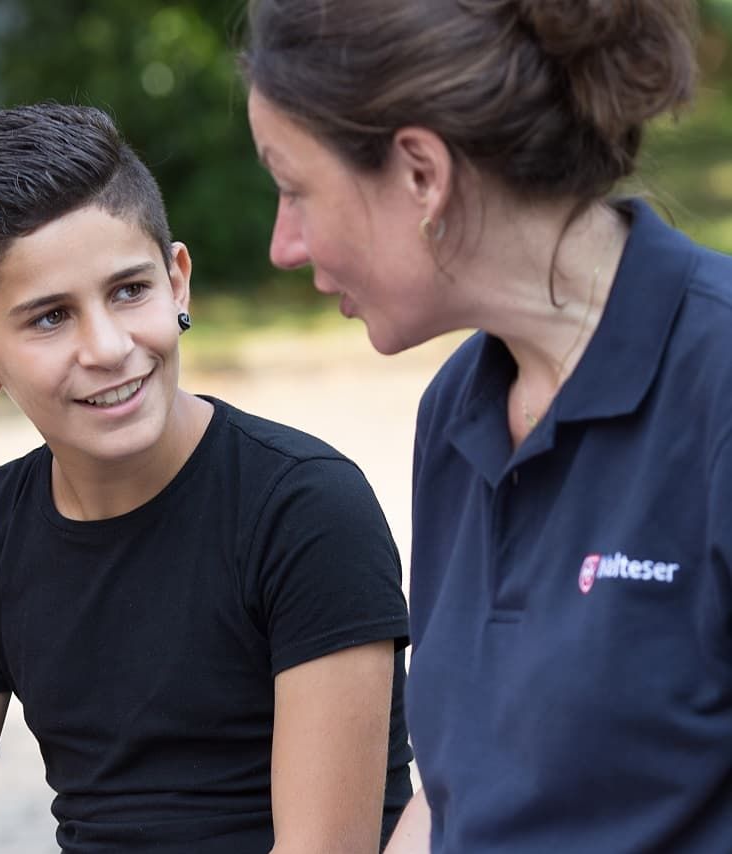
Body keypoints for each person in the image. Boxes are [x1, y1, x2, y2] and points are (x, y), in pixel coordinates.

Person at [242, 1, 732, 852]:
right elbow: (458, 788)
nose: (284, 243)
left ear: (421, 174)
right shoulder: (458, 408)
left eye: (296, 189)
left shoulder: (717, 385)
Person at [0, 102, 413, 854]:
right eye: (50, 317)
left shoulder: (306, 508)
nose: (108, 346)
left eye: (129, 291)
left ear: (177, 283)